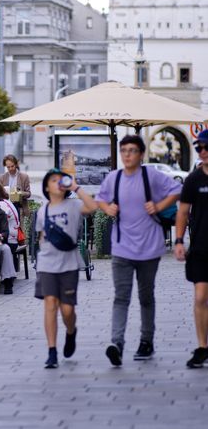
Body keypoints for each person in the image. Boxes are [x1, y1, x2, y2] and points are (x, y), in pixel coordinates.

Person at [96, 135, 181, 367]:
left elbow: (177, 189)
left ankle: (146, 341)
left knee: (146, 297)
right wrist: (108, 208)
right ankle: (117, 344)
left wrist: (159, 205)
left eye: (132, 150)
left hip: (149, 248)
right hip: (122, 248)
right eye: (124, 150)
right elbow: (100, 200)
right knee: (120, 297)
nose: (127, 155)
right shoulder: (114, 178)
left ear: (141, 154)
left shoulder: (150, 175)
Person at [35, 168, 98, 369]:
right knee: (50, 304)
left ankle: (71, 332)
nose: (57, 183)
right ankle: (51, 350)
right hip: (46, 264)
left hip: (69, 264)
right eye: (53, 180)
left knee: (67, 310)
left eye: (60, 180)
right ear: (46, 187)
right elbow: (40, 236)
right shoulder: (42, 210)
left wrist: (75, 186)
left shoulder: (74, 205)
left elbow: (93, 206)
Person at [174, 129, 208, 368]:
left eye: (206, 148)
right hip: (200, 247)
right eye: (199, 148)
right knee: (200, 297)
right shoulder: (194, 179)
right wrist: (178, 241)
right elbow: (183, 212)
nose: (203, 152)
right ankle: (202, 347)